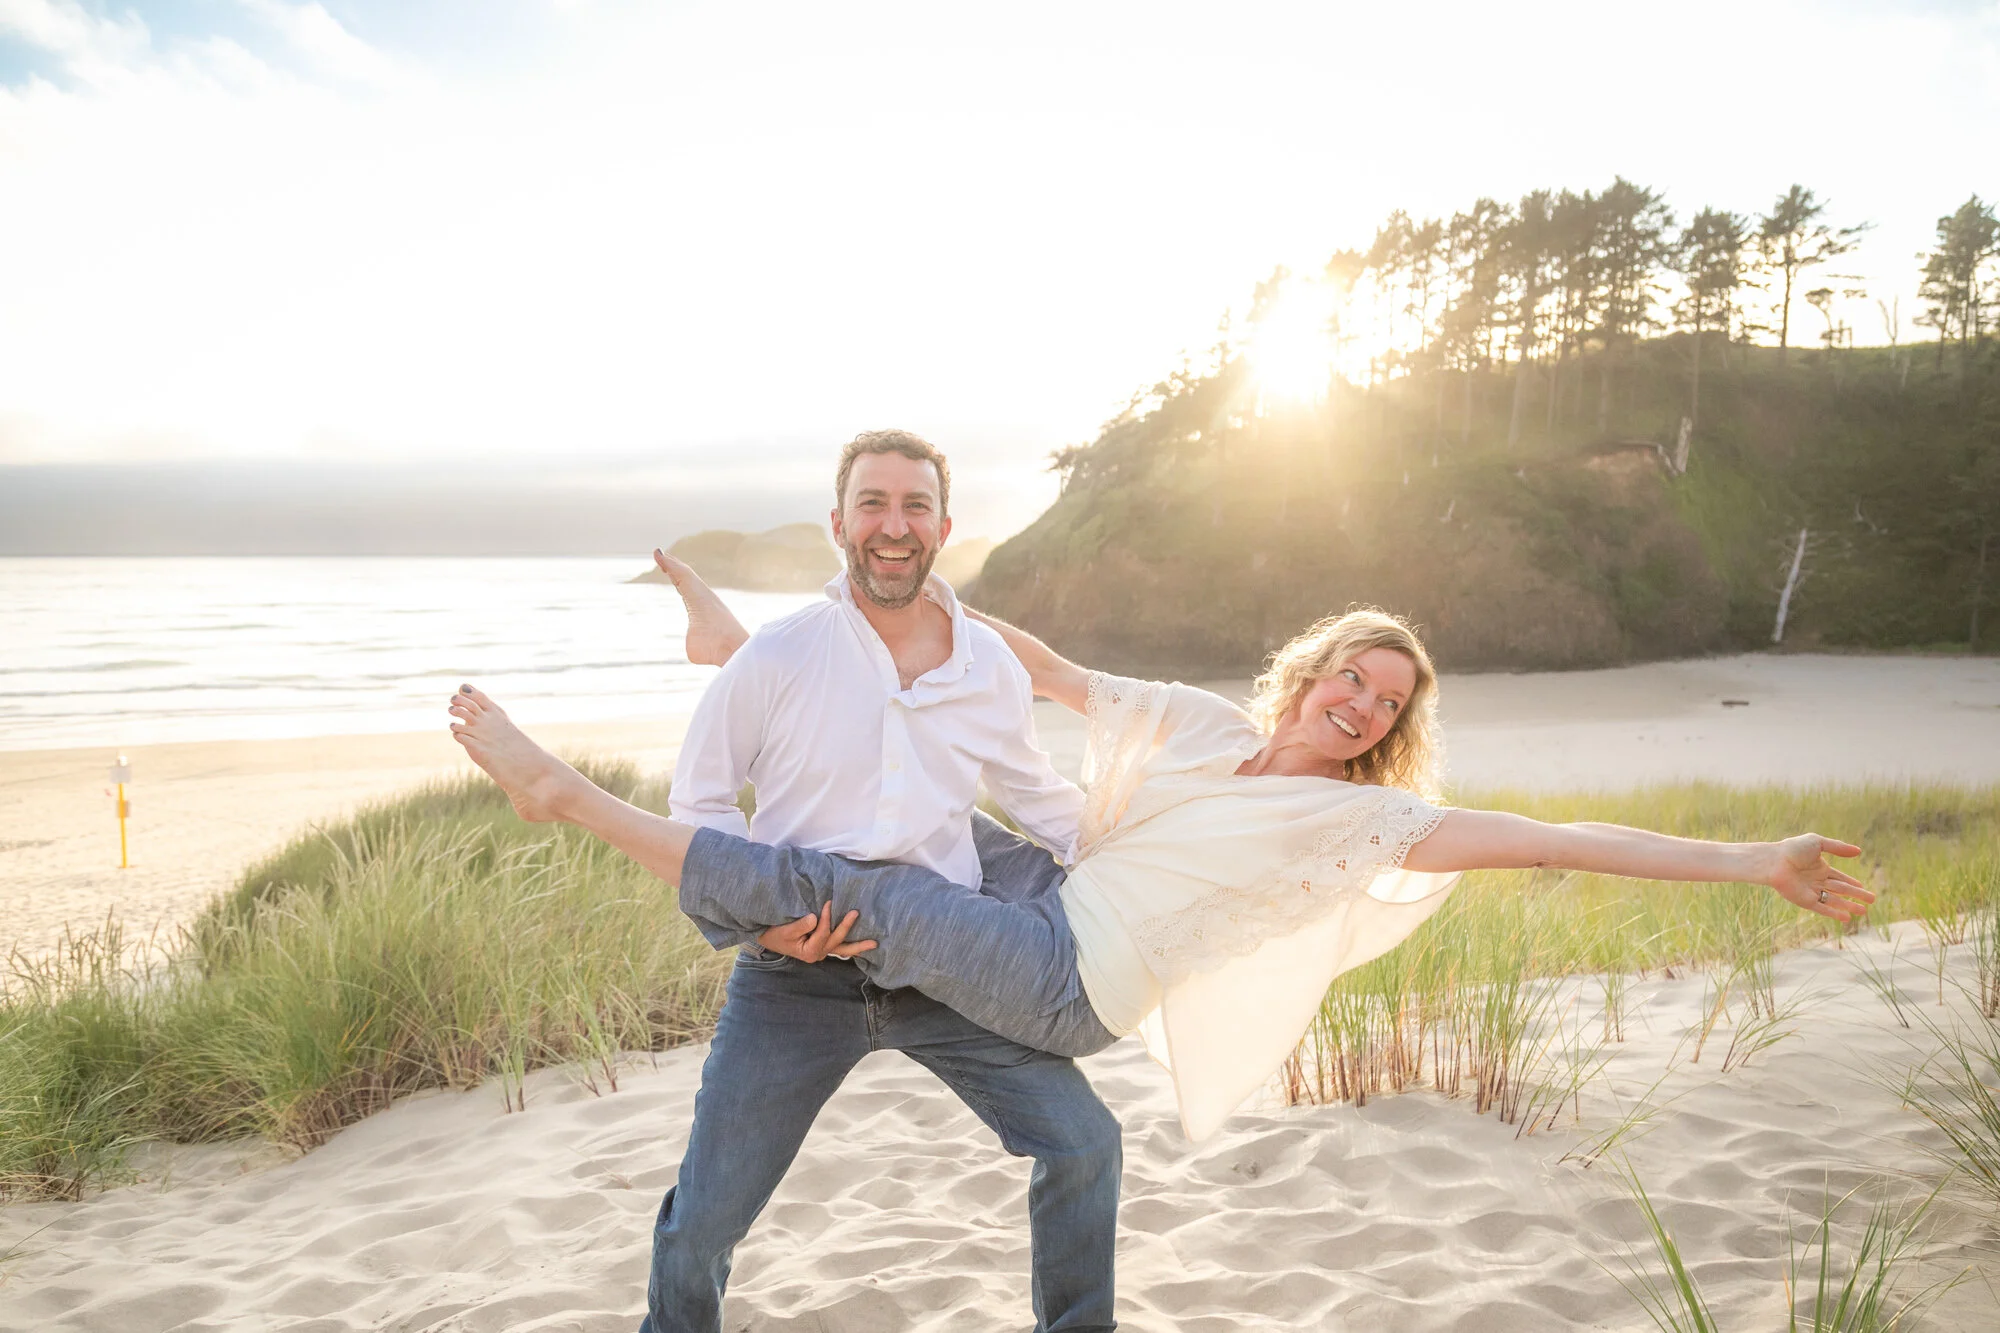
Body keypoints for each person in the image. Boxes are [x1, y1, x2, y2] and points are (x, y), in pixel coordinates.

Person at [588, 431, 1122, 1333]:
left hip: (940, 966)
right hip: (797, 974)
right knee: (704, 1220)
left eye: (915, 506)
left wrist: (1167, 847)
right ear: (839, 522)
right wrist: (763, 928)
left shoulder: (987, 664)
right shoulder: (781, 654)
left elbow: (1042, 800)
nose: (893, 525)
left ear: (944, 527)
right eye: (873, 503)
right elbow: (701, 796)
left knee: (1084, 1144)